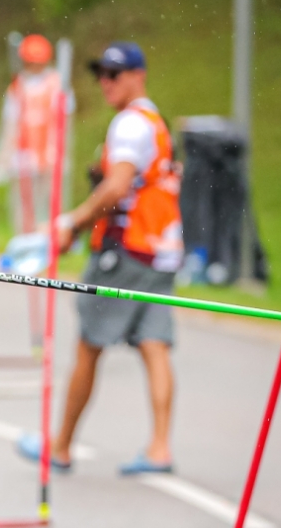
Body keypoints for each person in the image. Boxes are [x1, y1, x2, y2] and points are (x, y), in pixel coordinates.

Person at [19, 42, 183, 475]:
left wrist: (71, 222)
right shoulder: (153, 121)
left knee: (90, 345)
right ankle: (160, 448)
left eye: (115, 74)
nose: (105, 82)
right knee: (154, 343)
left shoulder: (130, 125)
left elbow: (116, 186)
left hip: (126, 251)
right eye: (101, 74)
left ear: (137, 75)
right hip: (161, 251)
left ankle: (60, 446)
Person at [0, 33, 63, 238]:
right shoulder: (17, 86)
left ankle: (40, 249)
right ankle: (21, 246)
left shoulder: (56, 84)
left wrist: (58, 156)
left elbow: (63, 124)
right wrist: (1, 160)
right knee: (21, 212)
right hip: (21, 158)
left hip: (46, 159)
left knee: (43, 212)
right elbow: (9, 126)